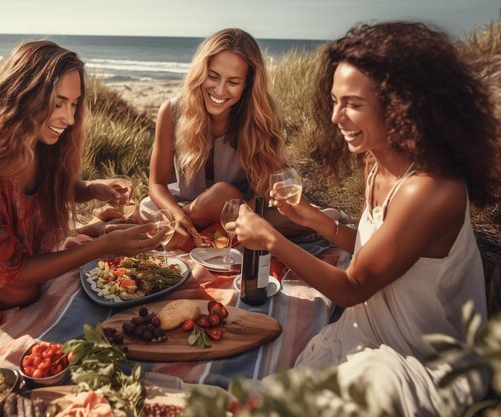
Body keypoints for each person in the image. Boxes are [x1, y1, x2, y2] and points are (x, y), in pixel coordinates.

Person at [233, 22, 501, 416]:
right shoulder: (375, 161)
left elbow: (353, 287)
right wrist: (314, 220)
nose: (336, 117)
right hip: (368, 332)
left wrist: (271, 239)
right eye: (334, 101)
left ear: (400, 103)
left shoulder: (431, 189)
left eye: (353, 104)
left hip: (421, 358)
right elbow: (375, 245)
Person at [0, 41, 164, 310]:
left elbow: (52, 186)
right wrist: (99, 247)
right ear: (24, 94)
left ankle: (89, 233)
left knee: (36, 282)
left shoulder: (42, 141)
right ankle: (91, 234)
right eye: (58, 104)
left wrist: (90, 188)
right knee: (23, 293)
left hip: (1, 247)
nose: (69, 119)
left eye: (74, 104)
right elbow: (14, 273)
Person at [139, 28, 290, 245]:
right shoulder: (171, 112)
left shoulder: (261, 118)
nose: (219, 90)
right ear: (201, 72)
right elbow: (156, 184)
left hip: (243, 213)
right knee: (153, 206)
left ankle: (162, 232)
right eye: (213, 76)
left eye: (233, 82)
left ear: (247, 85)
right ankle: (181, 230)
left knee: (225, 196)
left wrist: (242, 221)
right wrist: (178, 215)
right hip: (184, 204)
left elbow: (263, 193)